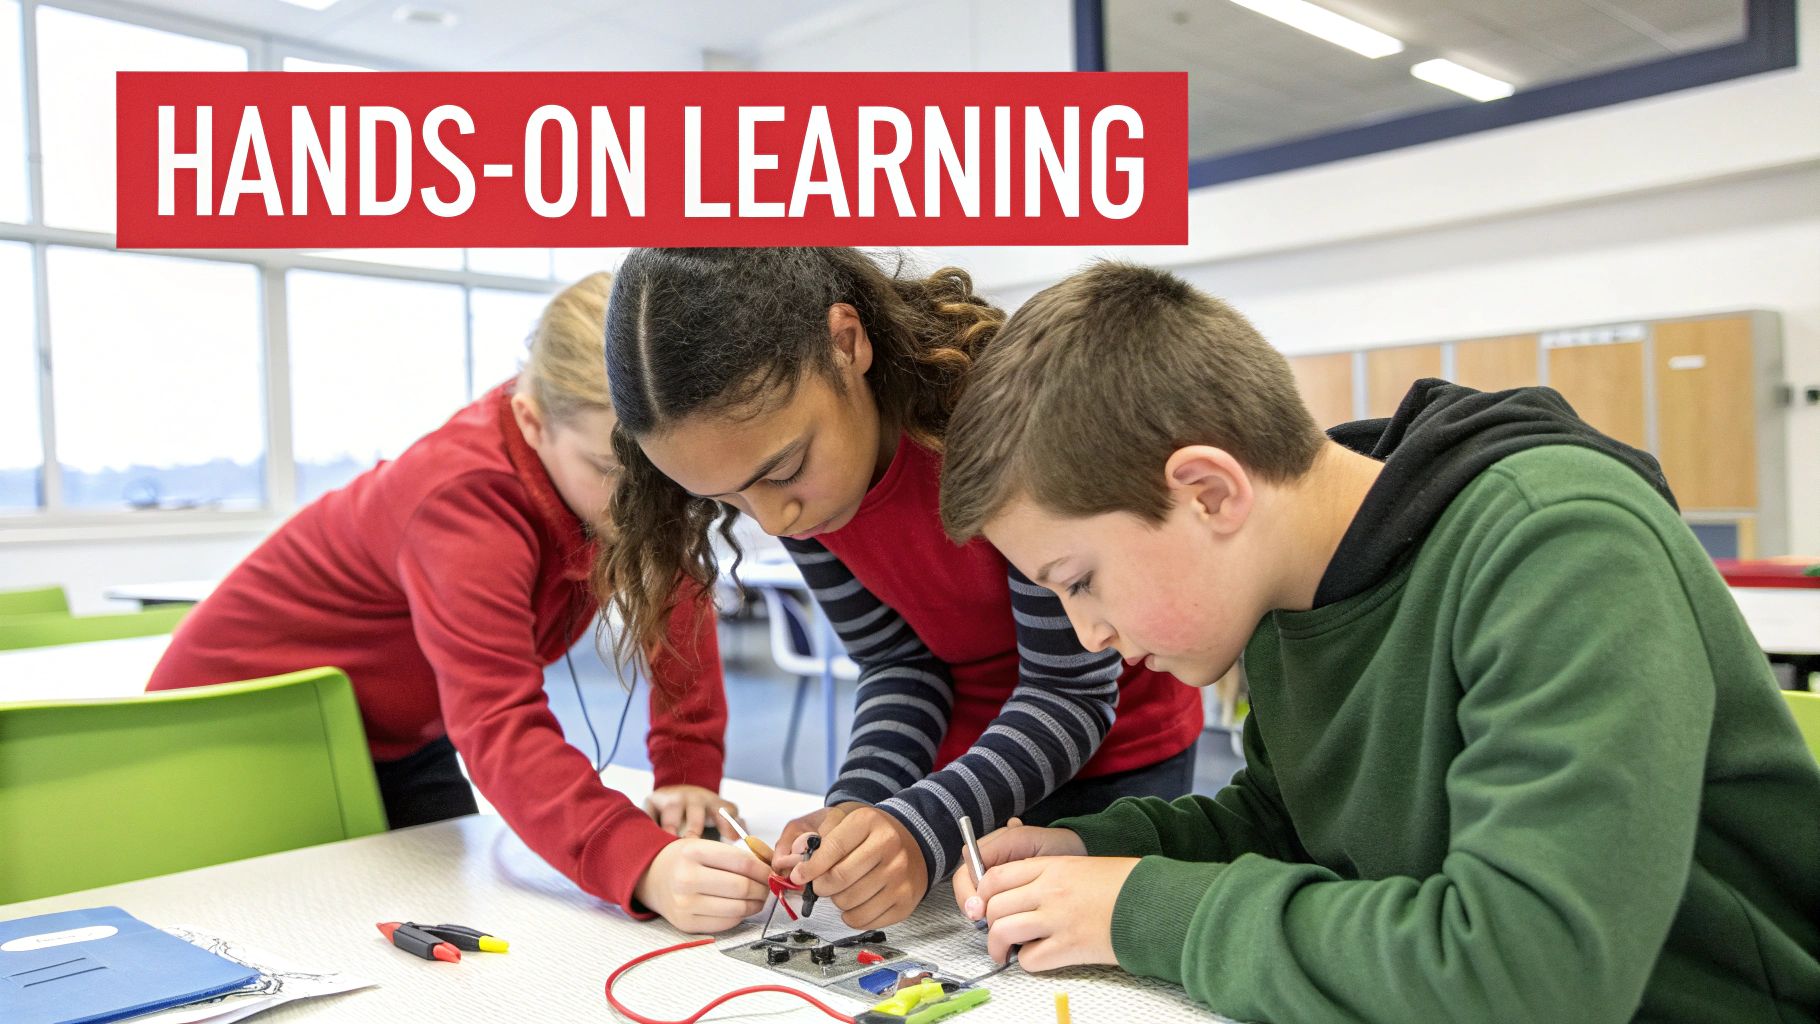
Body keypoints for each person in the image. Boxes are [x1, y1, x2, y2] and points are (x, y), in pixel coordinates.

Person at [939, 261, 1820, 1022]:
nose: (1088, 634)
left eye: (1080, 579)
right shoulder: (1288, 598)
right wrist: (1104, 853)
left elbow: (1532, 977)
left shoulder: (1560, 545)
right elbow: (1294, 827)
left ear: (1208, 492)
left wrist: (1140, 909)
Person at [598, 248, 1204, 930]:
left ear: (846, 343)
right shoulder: (807, 493)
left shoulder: (1000, 427)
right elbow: (901, 665)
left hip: (1112, 750)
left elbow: (1070, 691)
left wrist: (918, 827)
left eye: (786, 467)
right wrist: (862, 804)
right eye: (731, 498)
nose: (775, 519)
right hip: (961, 771)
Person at [148, 273, 771, 933]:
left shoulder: (593, 471)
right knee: (289, 941)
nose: (645, 498)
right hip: (237, 734)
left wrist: (686, 770)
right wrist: (643, 862)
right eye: (613, 471)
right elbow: (500, 720)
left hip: (396, 735)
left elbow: (672, 591)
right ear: (532, 422)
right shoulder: (461, 497)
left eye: (658, 468)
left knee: (452, 931)